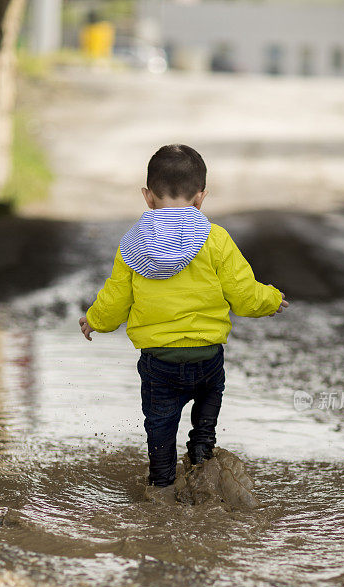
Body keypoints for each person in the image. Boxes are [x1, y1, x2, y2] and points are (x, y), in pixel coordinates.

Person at [79, 144, 288, 498]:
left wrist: (94, 320)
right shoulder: (215, 239)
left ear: (148, 197)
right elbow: (244, 294)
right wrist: (271, 299)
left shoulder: (132, 245)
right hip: (207, 357)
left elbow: (116, 299)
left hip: (159, 361)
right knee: (210, 398)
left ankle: (161, 487)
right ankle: (203, 453)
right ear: (201, 196)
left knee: (160, 426)